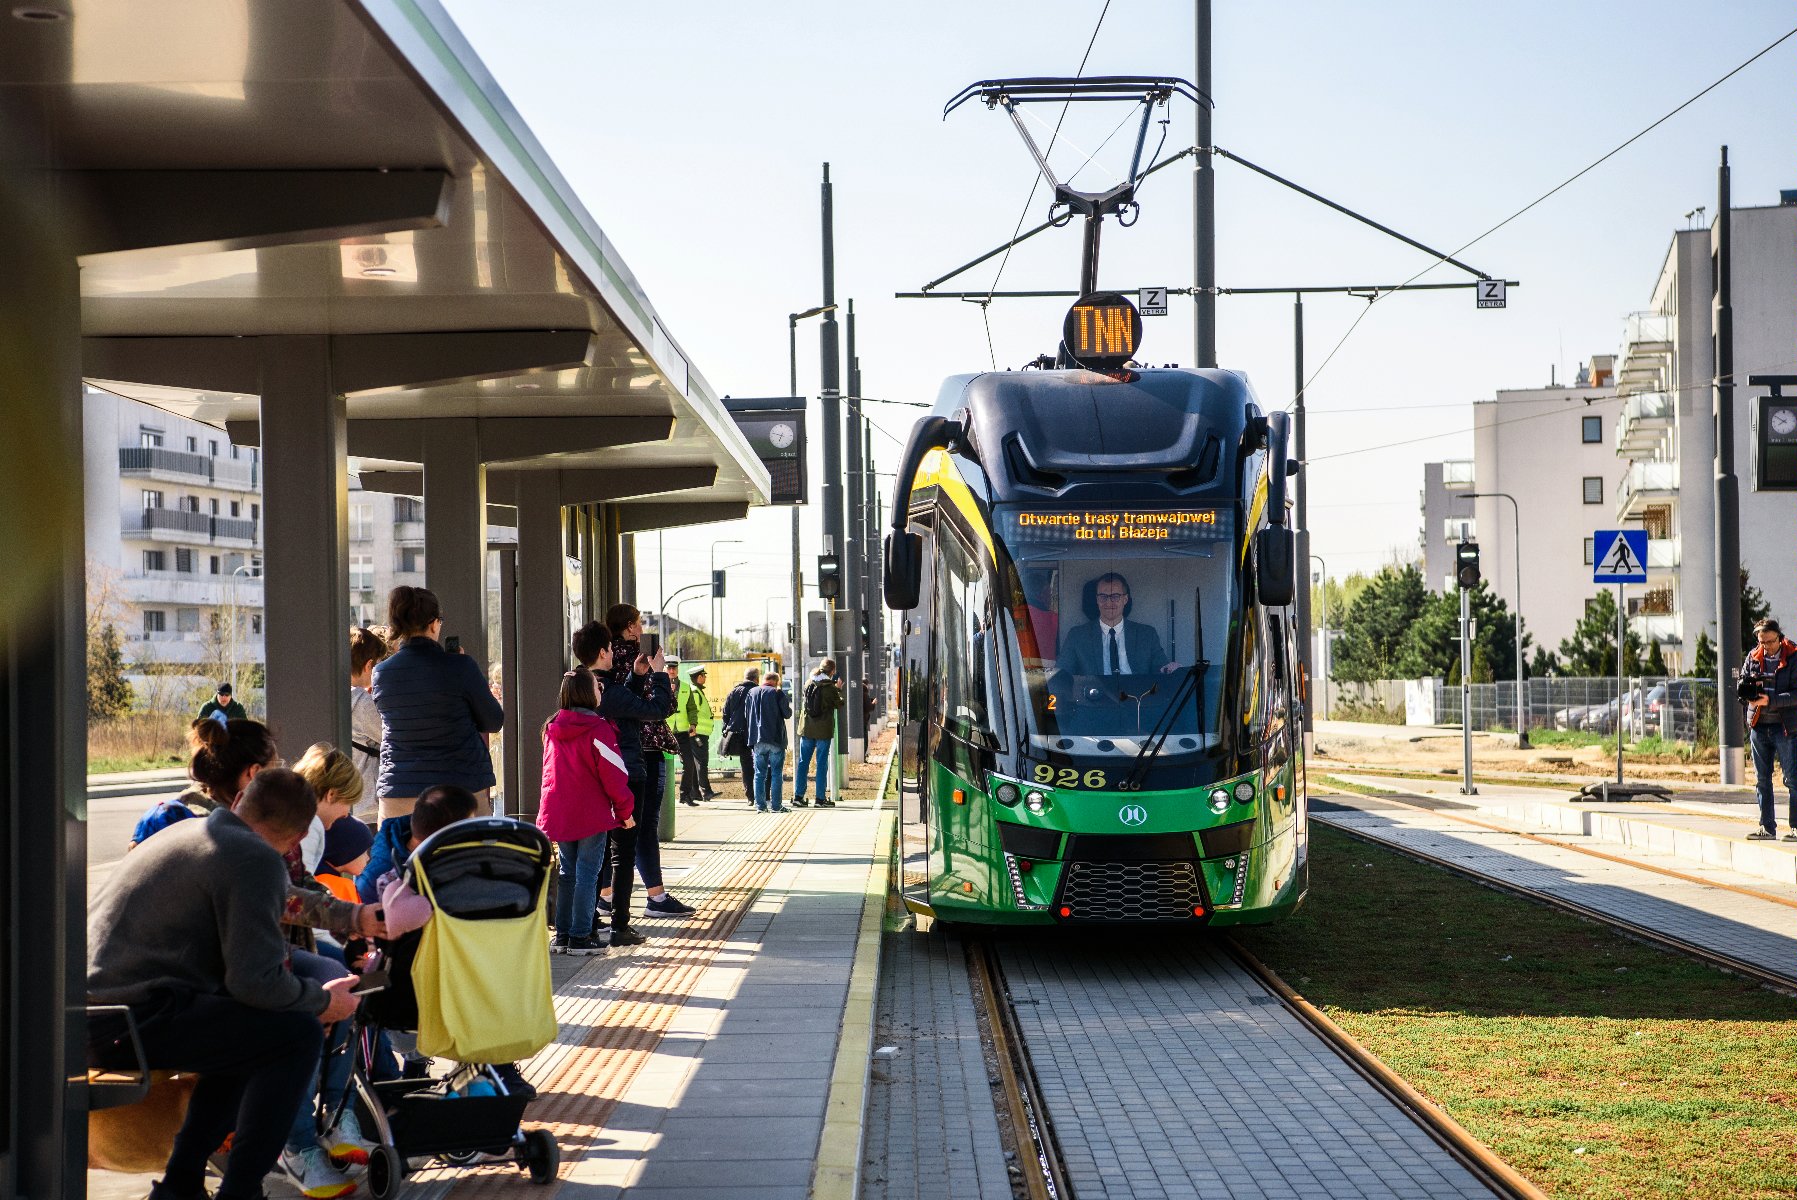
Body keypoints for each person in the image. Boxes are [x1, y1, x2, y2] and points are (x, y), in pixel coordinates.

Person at [88, 768, 362, 1200]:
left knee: (247, 1040)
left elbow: (280, 905)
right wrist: (320, 1002)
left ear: (239, 803)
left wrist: (354, 918)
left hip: (98, 1015)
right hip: (133, 1022)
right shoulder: (254, 859)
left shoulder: (193, 834)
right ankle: (240, 1190)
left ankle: (181, 1185)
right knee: (296, 1037)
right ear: (297, 838)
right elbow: (257, 983)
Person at [573, 608, 693, 931]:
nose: (614, 651)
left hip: (596, 773)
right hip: (627, 768)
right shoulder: (606, 687)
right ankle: (618, 924)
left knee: (593, 849)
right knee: (624, 846)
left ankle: (588, 918)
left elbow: (623, 700)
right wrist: (657, 674)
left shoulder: (579, 685)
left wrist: (637, 678)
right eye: (639, 623)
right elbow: (654, 709)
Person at [371, 586, 504, 823]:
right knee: (463, 858)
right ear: (433, 623)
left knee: (401, 859)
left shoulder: (381, 673)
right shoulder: (461, 667)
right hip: (460, 789)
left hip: (400, 790)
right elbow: (493, 720)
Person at [539, 664, 635, 955]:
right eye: (597, 686)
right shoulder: (598, 728)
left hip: (560, 811)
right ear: (586, 693)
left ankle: (563, 936)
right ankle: (581, 936)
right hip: (591, 813)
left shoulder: (551, 728)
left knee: (568, 872)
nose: (600, 690)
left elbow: (547, 773)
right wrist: (625, 810)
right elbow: (614, 774)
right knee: (588, 873)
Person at [1056, 571, 1179, 677]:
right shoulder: (1077, 636)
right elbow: (1062, 674)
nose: (1109, 603)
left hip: (1138, 699)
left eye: (1115, 596)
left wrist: (1169, 669)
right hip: (1095, 700)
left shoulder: (1146, 635)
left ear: (1125, 599)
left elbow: (1162, 670)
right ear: (1097, 600)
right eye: (1103, 597)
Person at [1740, 617, 1797, 840]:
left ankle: (1795, 827)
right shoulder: (1753, 656)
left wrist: (1769, 700)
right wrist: (1747, 694)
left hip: (1786, 727)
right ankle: (1767, 827)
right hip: (1759, 727)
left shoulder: (1793, 656)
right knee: (1762, 779)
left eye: (1769, 642)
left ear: (1779, 638)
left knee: (1792, 778)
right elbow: (1743, 684)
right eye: (1761, 642)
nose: (1765, 647)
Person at [349, 626, 390, 826]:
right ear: (368, 666)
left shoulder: (338, 696)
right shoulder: (361, 703)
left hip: (350, 805)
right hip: (368, 809)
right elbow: (391, 735)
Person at [795, 659, 844, 809]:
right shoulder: (829, 687)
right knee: (821, 764)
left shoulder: (809, 682)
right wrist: (839, 689)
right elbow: (838, 704)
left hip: (807, 729)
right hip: (823, 730)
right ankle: (820, 799)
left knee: (803, 763)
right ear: (833, 671)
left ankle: (798, 797)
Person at [746, 670, 793, 813]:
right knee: (776, 773)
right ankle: (776, 806)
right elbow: (787, 713)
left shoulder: (752, 693)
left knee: (759, 774)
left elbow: (746, 714)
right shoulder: (777, 693)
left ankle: (760, 806)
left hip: (757, 739)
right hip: (775, 739)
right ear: (776, 682)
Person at [672, 666, 717, 806]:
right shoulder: (695, 692)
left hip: (693, 732)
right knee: (700, 762)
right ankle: (703, 791)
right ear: (699, 676)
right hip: (695, 734)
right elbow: (693, 710)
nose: (705, 677)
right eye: (704, 675)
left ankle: (692, 793)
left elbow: (693, 710)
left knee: (693, 763)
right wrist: (694, 728)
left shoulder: (693, 690)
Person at [721, 667, 760, 807]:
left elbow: (725, 714)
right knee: (759, 764)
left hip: (738, 733)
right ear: (756, 678)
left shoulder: (734, 691)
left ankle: (750, 796)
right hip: (755, 733)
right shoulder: (757, 691)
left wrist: (725, 730)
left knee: (746, 765)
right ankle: (761, 795)